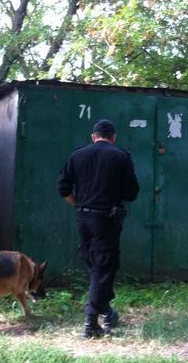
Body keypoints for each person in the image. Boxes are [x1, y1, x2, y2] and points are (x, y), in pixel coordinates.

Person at [58, 119, 139, 338]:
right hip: (107, 218)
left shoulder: (77, 156)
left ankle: (107, 311)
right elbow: (131, 193)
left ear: (94, 136)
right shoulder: (121, 156)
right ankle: (91, 322)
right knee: (104, 266)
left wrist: (81, 205)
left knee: (97, 265)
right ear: (113, 138)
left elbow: (63, 188)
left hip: (83, 216)